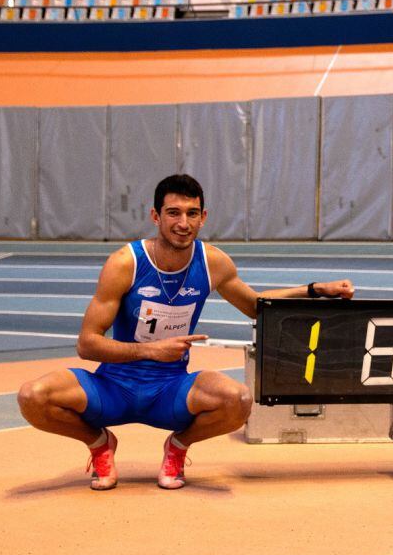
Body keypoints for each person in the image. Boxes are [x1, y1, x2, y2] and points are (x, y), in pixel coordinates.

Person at [18, 174, 354, 490]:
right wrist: (149, 350)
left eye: (192, 213)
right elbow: (87, 344)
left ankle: (177, 447)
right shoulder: (125, 264)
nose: (183, 223)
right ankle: (99, 444)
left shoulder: (213, 263)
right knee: (32, 397)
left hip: (170, 390)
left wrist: (313, 289)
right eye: (174, 213)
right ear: (156, 215)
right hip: (111, 387)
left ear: (203, 216)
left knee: (239, 401)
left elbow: (256, 305)